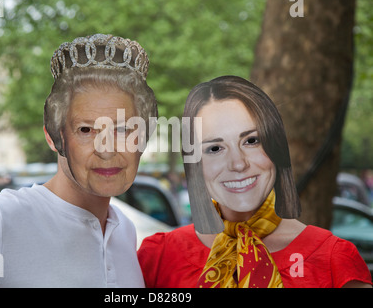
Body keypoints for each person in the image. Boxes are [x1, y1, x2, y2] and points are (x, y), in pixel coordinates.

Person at [0, 34, 158, 287]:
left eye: (123, 129)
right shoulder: (0, 220)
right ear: (53, 137)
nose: (107, 149)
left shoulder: (124, 231)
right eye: (86, 130)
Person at [137, 75, 372, 288]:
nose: (238, 164)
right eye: (215, 148)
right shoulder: (158, 257)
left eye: (251, 141)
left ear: (276, 147)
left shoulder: (335, 261)